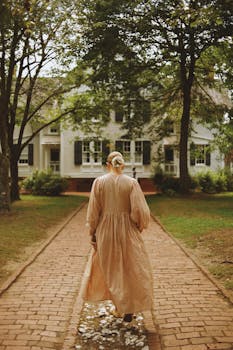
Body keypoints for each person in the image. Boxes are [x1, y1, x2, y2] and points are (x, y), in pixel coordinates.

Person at [81, 151, 153, 322]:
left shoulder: (99, 182)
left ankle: (120, 306)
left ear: (108, 165)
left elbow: (93, 212)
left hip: (105, 230)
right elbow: (140, 211)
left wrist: (92, 232)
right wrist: (138, 226)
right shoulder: (132, 183)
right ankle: (127, 307)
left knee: (112, 269)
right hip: (127, 229)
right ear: (122, 165)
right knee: (130, 268)